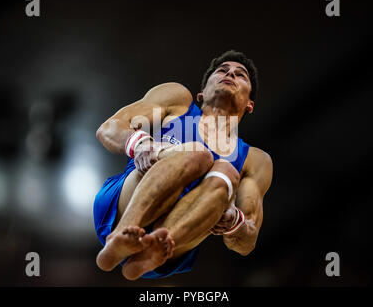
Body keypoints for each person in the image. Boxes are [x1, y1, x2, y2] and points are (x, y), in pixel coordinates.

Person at [93, 50, 273, 280]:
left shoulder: (255, 160)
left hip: (177, 235)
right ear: (202, 93)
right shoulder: (178, 102)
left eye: (241, 75)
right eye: (222, 70)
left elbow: (247, 240)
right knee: (199, 154)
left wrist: (233, 221)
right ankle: (119, 237)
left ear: (250, 104)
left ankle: (151, 250)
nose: (230, 73)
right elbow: (109, 128)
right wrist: (138, 144)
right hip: (123, 203)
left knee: (225, 171)